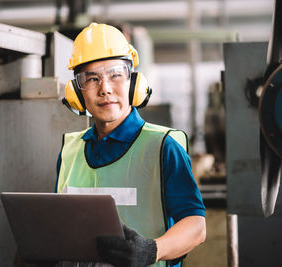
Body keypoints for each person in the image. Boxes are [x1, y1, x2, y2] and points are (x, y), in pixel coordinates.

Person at [56, 23, 206, 267]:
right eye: (92, 79)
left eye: (115, 74)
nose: (105, 89)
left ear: (134, 83)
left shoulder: (163, 146)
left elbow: (196, 226)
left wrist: (152, 250)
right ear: (77, 92)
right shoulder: (69, 151)